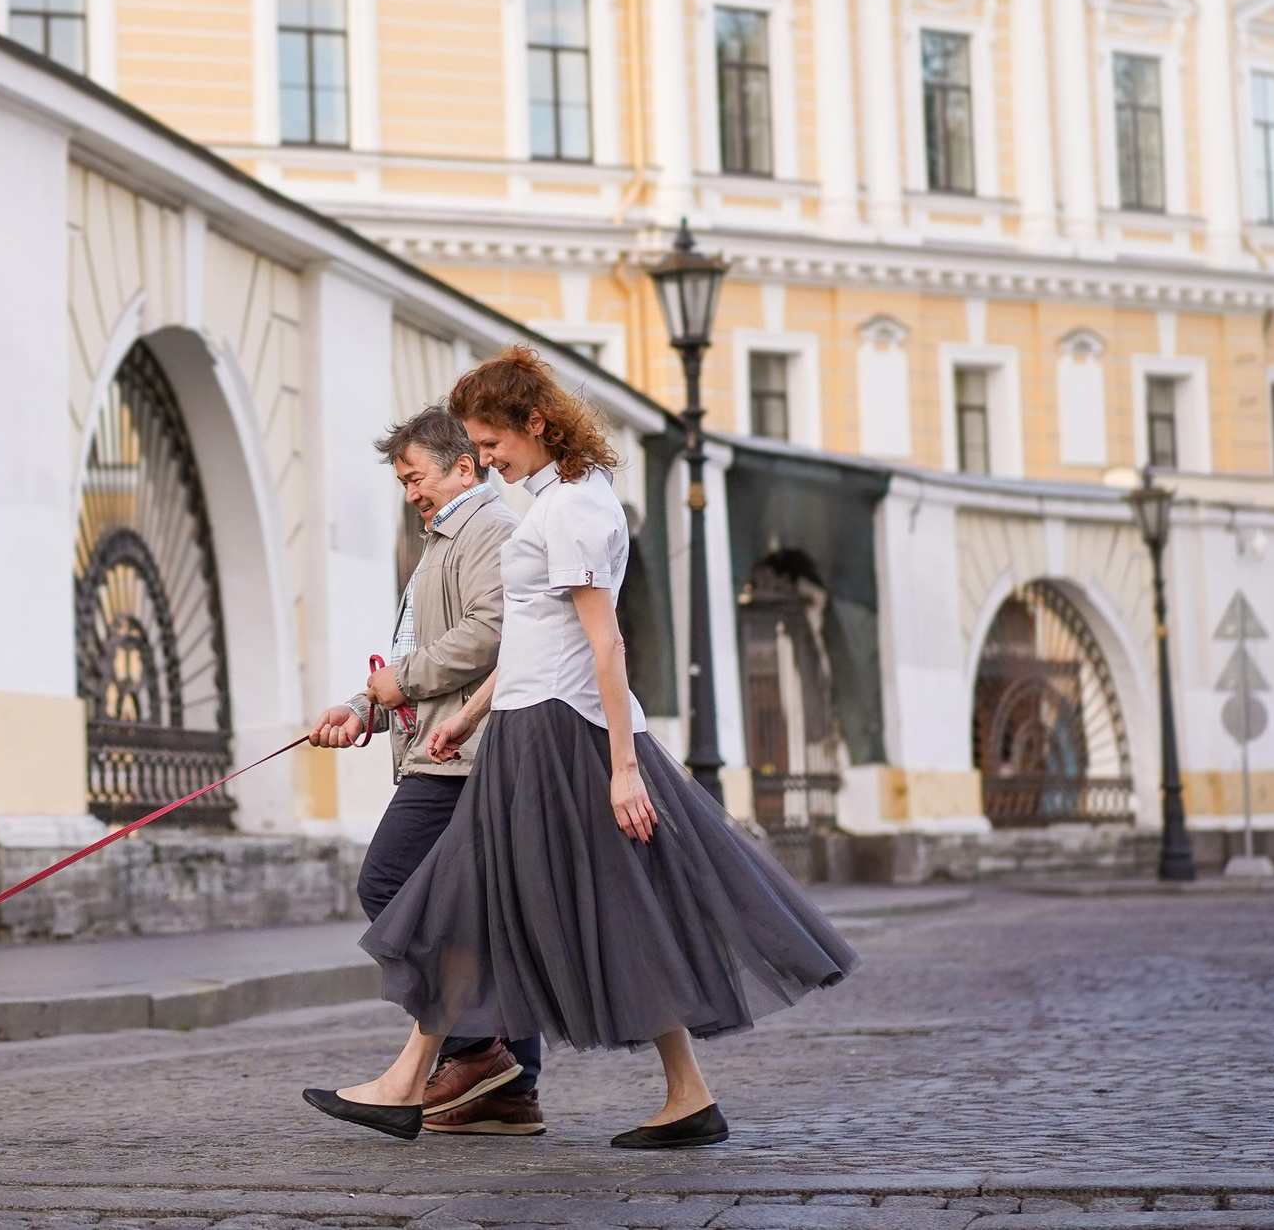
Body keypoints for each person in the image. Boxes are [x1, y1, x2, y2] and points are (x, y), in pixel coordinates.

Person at [304, 347, 858, 1149]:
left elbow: (606, 644)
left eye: (491, 443)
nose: (485, 460)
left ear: (536, 423)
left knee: (490, 899)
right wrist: (471, 714)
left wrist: (623, 770)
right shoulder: (557, 501)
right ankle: (680, 1095)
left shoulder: (575, 510)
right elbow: (537, 633)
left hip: (559, 738)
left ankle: (414, 1083)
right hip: (526, 726)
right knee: (535, 901)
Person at [306, 406, 539, 1135]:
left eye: (417, 477)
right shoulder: (445, 540)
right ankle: (508, 1091)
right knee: (487, 915)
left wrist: (399, 684)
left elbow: (494, 633)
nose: (411, 493)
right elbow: (418, 658)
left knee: (390, 883)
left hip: (464, 757)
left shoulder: (489, 529)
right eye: (403, 482)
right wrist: (361, 709)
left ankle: (476, 1049)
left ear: (463, 468)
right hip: (442, 747)